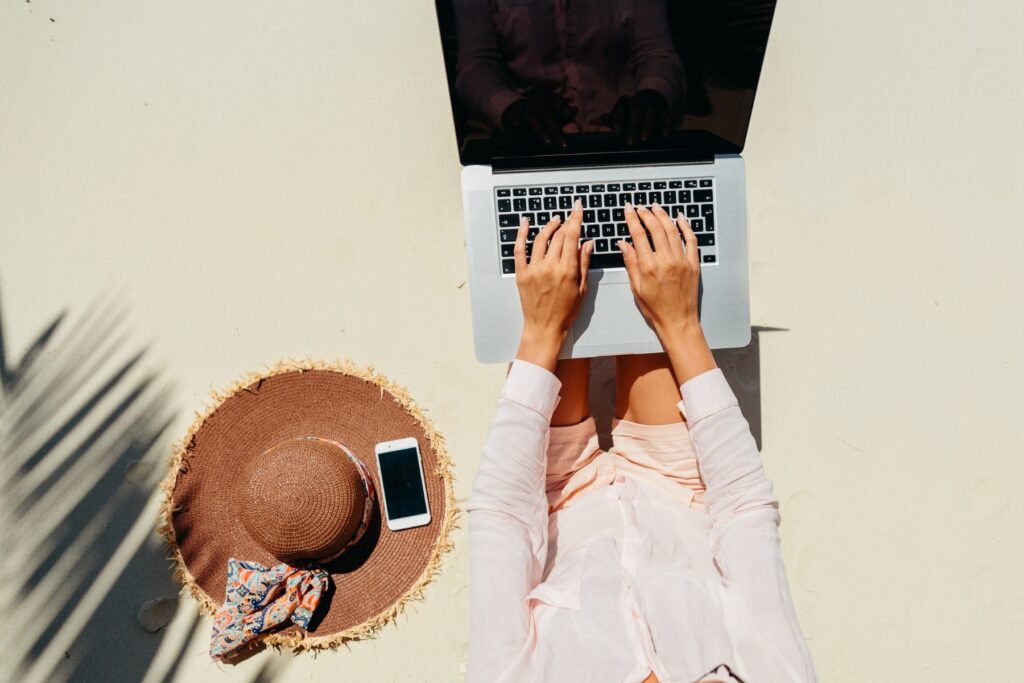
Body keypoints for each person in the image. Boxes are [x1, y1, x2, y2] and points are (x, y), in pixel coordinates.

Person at [467, 201, 817, 682]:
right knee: (648, 236)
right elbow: (744, 513)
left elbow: (501, 523)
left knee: (561, 263)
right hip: (674, 481)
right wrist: (682, 327)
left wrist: (541, 333)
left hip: (556, 496)